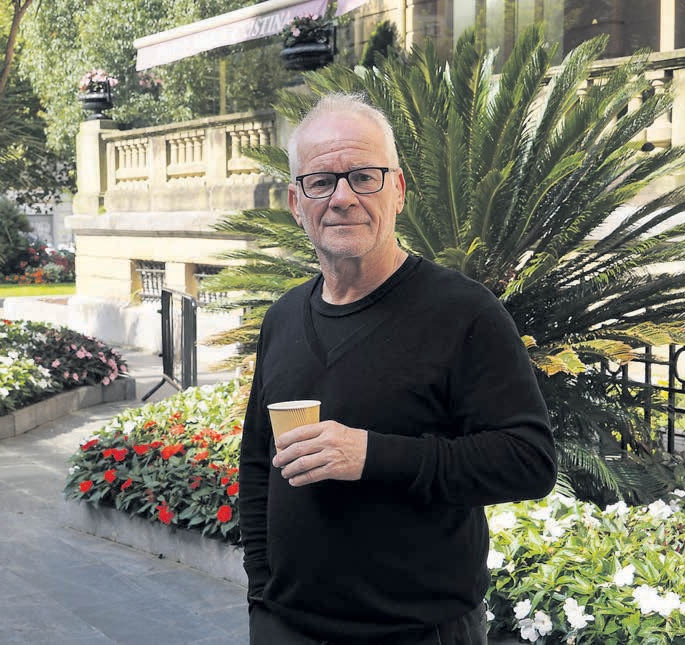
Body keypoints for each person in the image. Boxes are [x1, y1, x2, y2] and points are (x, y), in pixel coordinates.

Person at [238, 93, 558, 645]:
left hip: (418, 630)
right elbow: (257, 464)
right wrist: (262, 596)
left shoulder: (464, 312)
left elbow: (528, 461)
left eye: (364, 177)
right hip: (286, 627)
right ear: (295, 201)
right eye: (321, 182)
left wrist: (371, 455)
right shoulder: (283, 317)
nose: (342, 198)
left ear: (399, 189)